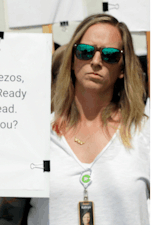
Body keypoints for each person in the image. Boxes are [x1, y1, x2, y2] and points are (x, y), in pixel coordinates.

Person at [49, 13, 150, 224]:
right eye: (85, 51)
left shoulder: (144, 132)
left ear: (122, 68)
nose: (96, 61)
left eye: (110, 55)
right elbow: (8, 214)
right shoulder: (40, 133)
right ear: (72, 59)